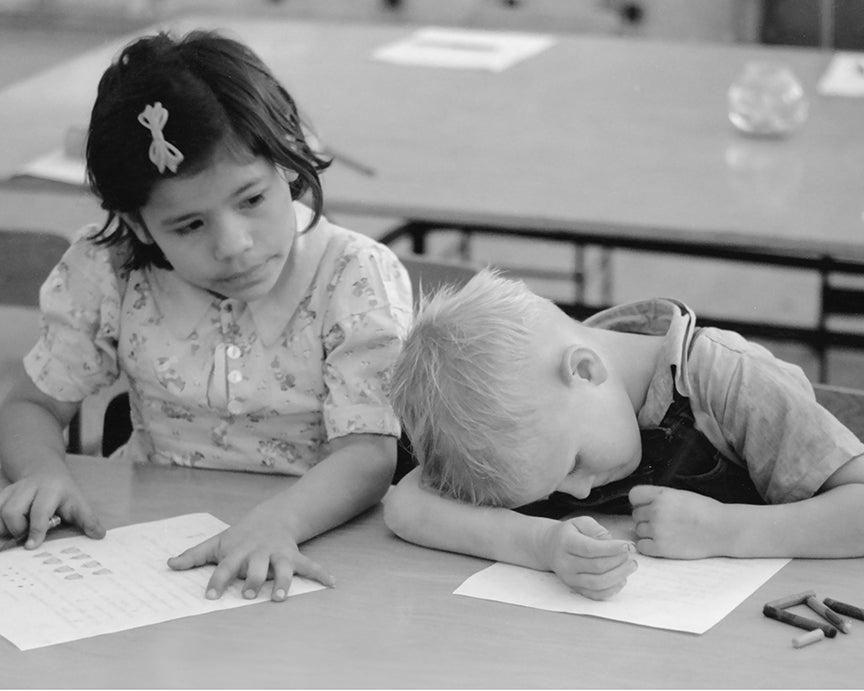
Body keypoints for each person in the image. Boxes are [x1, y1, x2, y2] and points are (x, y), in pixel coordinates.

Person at [0, 30, 413, 601]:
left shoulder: (352, 276)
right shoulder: (110, 271)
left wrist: (280, 523)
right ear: (140, 225)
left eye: (251, 200)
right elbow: (31, 404)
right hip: (146, 555)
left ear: (286, 164)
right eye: (189, 225)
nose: (234, 244)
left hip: (317, 549)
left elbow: (368, 455)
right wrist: (42, 471)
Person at [384, 269, 864, 600]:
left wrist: (727, 530)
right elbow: (406, 504)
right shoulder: (534, 409)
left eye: (572, 466)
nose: (578, 490)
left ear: (586, 370)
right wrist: (541, 544)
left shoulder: (731, 380)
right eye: (554, 489)